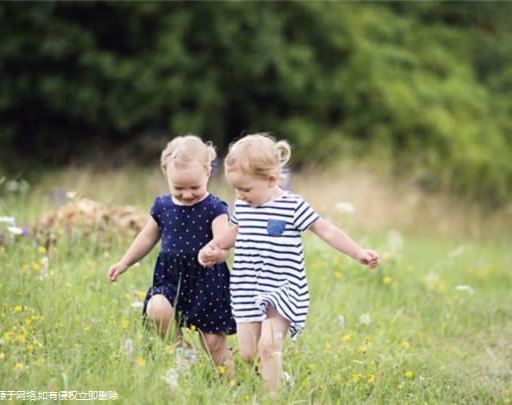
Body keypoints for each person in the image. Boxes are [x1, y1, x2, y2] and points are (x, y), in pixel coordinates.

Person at [198, 133, 379, 394]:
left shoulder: (293, 206)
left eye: (246, 189)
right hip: (247, 285)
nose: (240, 195)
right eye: (235, 188)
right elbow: (237, 231)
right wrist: (215, 247)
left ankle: (274, 396)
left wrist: (358, 252)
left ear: (271, 180)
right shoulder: (244, 204)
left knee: (269, 347)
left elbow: (326, 230)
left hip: (283, 287)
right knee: (249, 354)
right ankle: (275, 374)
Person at [108, 135, 236, 376]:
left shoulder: (215, 208)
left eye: (194, 187)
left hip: (206, 281)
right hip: (171, 279)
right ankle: (181, 352)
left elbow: (225, 244)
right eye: (178, 188)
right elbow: (147, 238)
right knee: (156, 308)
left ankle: (229, 383)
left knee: (213, 344)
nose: (187, 195)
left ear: (208, 173)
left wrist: (216, 253)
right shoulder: (162, 207)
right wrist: (125, 262)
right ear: (166, 176)